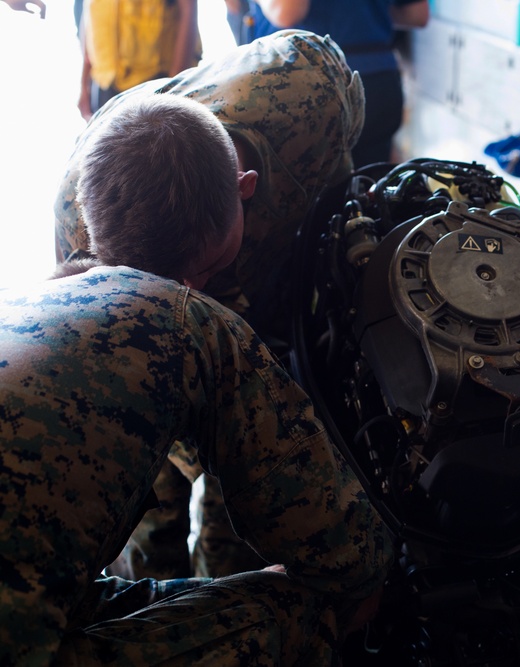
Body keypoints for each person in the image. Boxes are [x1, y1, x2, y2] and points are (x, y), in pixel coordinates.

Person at [4, 92, 393, 665]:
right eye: (202, 275)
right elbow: (338, 546)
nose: (198, 286)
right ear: (246, 189)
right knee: (314, 605)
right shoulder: (188, 318)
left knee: (123, 598)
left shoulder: (32, 299)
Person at [54, 28, 366, 581]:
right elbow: (118, 375)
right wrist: (193, 450)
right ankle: (157, 591)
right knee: (153, 468)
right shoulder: (82, 219)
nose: (192, 300)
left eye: (202, 272)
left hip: (282, 272)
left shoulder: (309, 92)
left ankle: (230, 585)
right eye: (173, 282)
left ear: (247, 190)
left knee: (252, 468)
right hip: (141, 326)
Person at [247, 0, 429, 167]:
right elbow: (417, 14)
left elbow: (286, 11)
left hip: (313, 84)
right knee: (368, 187)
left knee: (311, 193)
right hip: (378, 79)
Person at [77, 0, 200, 121]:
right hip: (104, 82)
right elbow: (90, 11)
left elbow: (188, 9)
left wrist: (176, 86)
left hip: (156, 81)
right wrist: (84, 84)